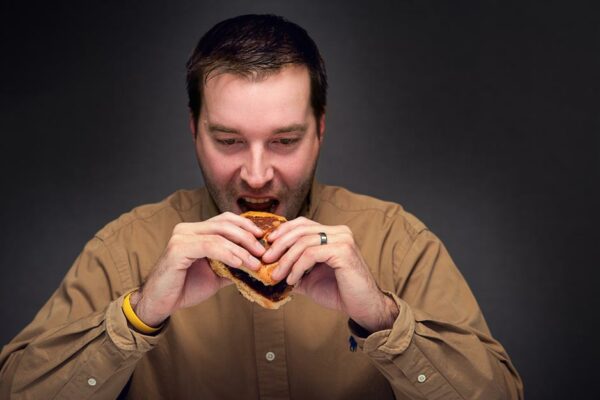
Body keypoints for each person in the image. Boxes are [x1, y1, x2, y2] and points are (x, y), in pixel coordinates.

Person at [0, 14, 523, 399]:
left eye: (284, 141)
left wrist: (383, 321)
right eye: (228, 141)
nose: (255, 173)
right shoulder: (125, 248)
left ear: (320, 130)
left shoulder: (397, 241)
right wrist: (138, 316)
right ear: (194, 131)